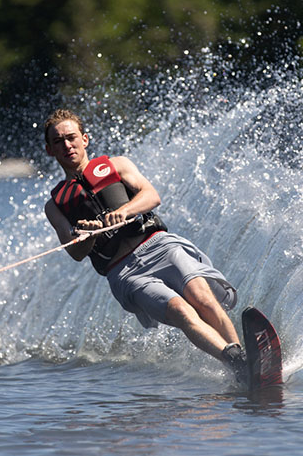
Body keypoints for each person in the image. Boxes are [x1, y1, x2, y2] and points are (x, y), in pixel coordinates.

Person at [43, 109, 250, 384]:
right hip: (125, 273)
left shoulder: (116, 165)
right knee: (180, 310)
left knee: (202, 297)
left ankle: (245, 361)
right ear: (50, 150)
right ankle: (235, 363)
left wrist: (125, 210)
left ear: (85, 139)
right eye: (58, 141)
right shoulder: (55, 205)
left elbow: (151, 196)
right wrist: (89, 236)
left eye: (71, 138)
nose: (67, 145)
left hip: (158, 246)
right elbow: (76, 253)